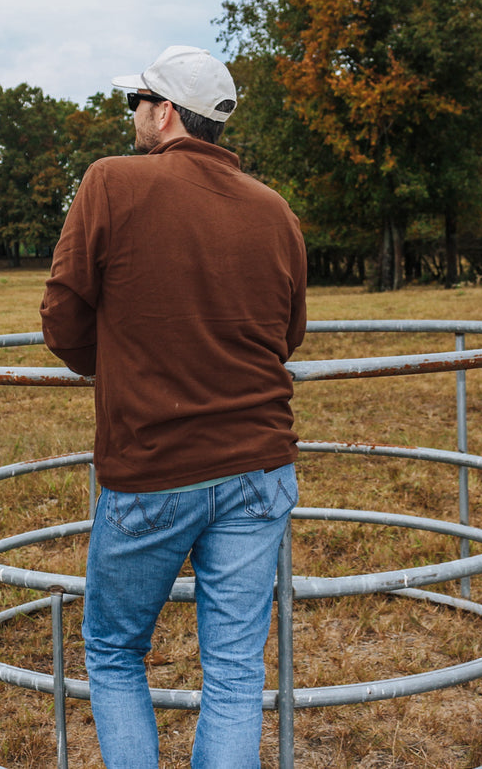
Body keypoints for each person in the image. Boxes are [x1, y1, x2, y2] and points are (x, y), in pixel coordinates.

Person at [40, 45, 308, 768]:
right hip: (260, 465)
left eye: (137, 100)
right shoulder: (273, 210)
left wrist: (121, 366)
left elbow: (62, 315)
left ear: (163, 113)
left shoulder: (110, 183)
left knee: (115, 649)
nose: (130, 112)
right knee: (232, 667)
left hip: (153, 463)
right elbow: (286, 335)